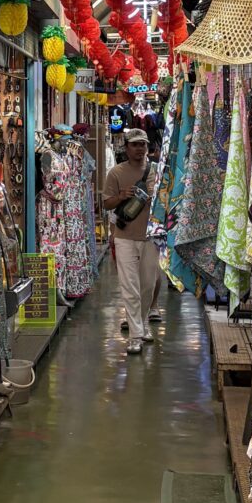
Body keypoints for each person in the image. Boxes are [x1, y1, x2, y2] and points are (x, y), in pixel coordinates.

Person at [103, 128, 158, 355]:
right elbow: (106, 204)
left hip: (151, 237)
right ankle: (135, 335)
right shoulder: (115, 173)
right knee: (130, 288)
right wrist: (121, 197)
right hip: (124, 237)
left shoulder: (157, 171)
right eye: (134, 144)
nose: (139, 149)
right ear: (126, 147)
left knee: (147, 285)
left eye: (142, 144)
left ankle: (142, 320)